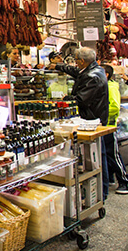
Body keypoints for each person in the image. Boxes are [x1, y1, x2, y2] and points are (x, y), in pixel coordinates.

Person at [48, 47, 110, 200]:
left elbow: (81, 99)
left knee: (98, 156)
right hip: (94, 116)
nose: (75, 64)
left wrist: (66, 99)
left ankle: (101, 191)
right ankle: (99, 189)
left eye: (76, 61)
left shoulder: (91, 77)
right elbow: (77, 73)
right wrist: (57, 66)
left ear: (82, 61)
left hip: (91, 119)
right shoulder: (94, 70)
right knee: (96, 154)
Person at [102, 64, 128, 194]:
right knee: (107, 155)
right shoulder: (104, 86)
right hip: (102, 126)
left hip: (109, 126)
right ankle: (110, 178)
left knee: (114, 155)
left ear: (106, 75)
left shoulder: (111, 87)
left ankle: (126, 182)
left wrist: (99, 113)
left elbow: (114, 107)